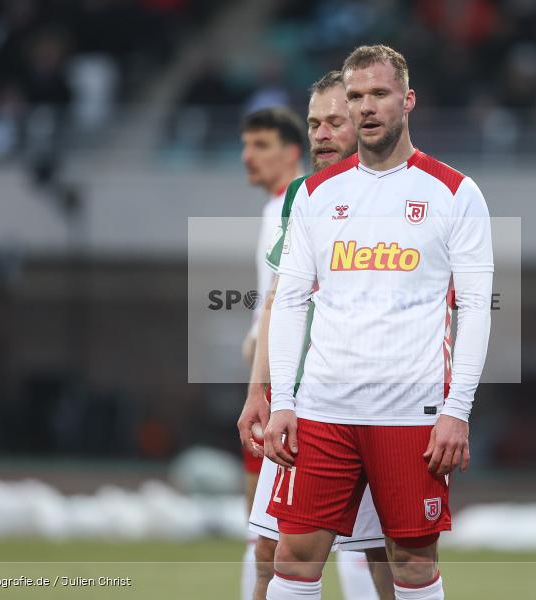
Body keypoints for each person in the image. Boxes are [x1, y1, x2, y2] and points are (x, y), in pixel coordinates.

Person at [263, 45, 493, 600]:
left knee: (411, 564)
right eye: (357, 96)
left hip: (411, 413)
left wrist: (456, 412)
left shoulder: (455, 193)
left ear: (408, 100)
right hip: (323, 409)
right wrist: (283, 404)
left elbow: (476, 308)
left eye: (380, 94)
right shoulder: (317, 194)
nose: (367, 107)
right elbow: (291, 301)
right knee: (293, 558)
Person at [238, 71, 394, 600]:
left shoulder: (403, 198)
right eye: (314, 124)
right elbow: (278, 302)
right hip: (305, 406)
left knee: (388, 553)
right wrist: (259, 392)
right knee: (270, 547)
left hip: (381, 406)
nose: (322, 135)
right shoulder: (302, 199)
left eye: (335, 122)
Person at [239, 106, 306, 600]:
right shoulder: (282, 207)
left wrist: (261, 355)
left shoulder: (294, 206)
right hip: (282, 382)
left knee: (266, 531)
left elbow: (280, 301)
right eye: (246, 145)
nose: (248, 157)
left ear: (291, 152)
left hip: (288, 392)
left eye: (261, 146)